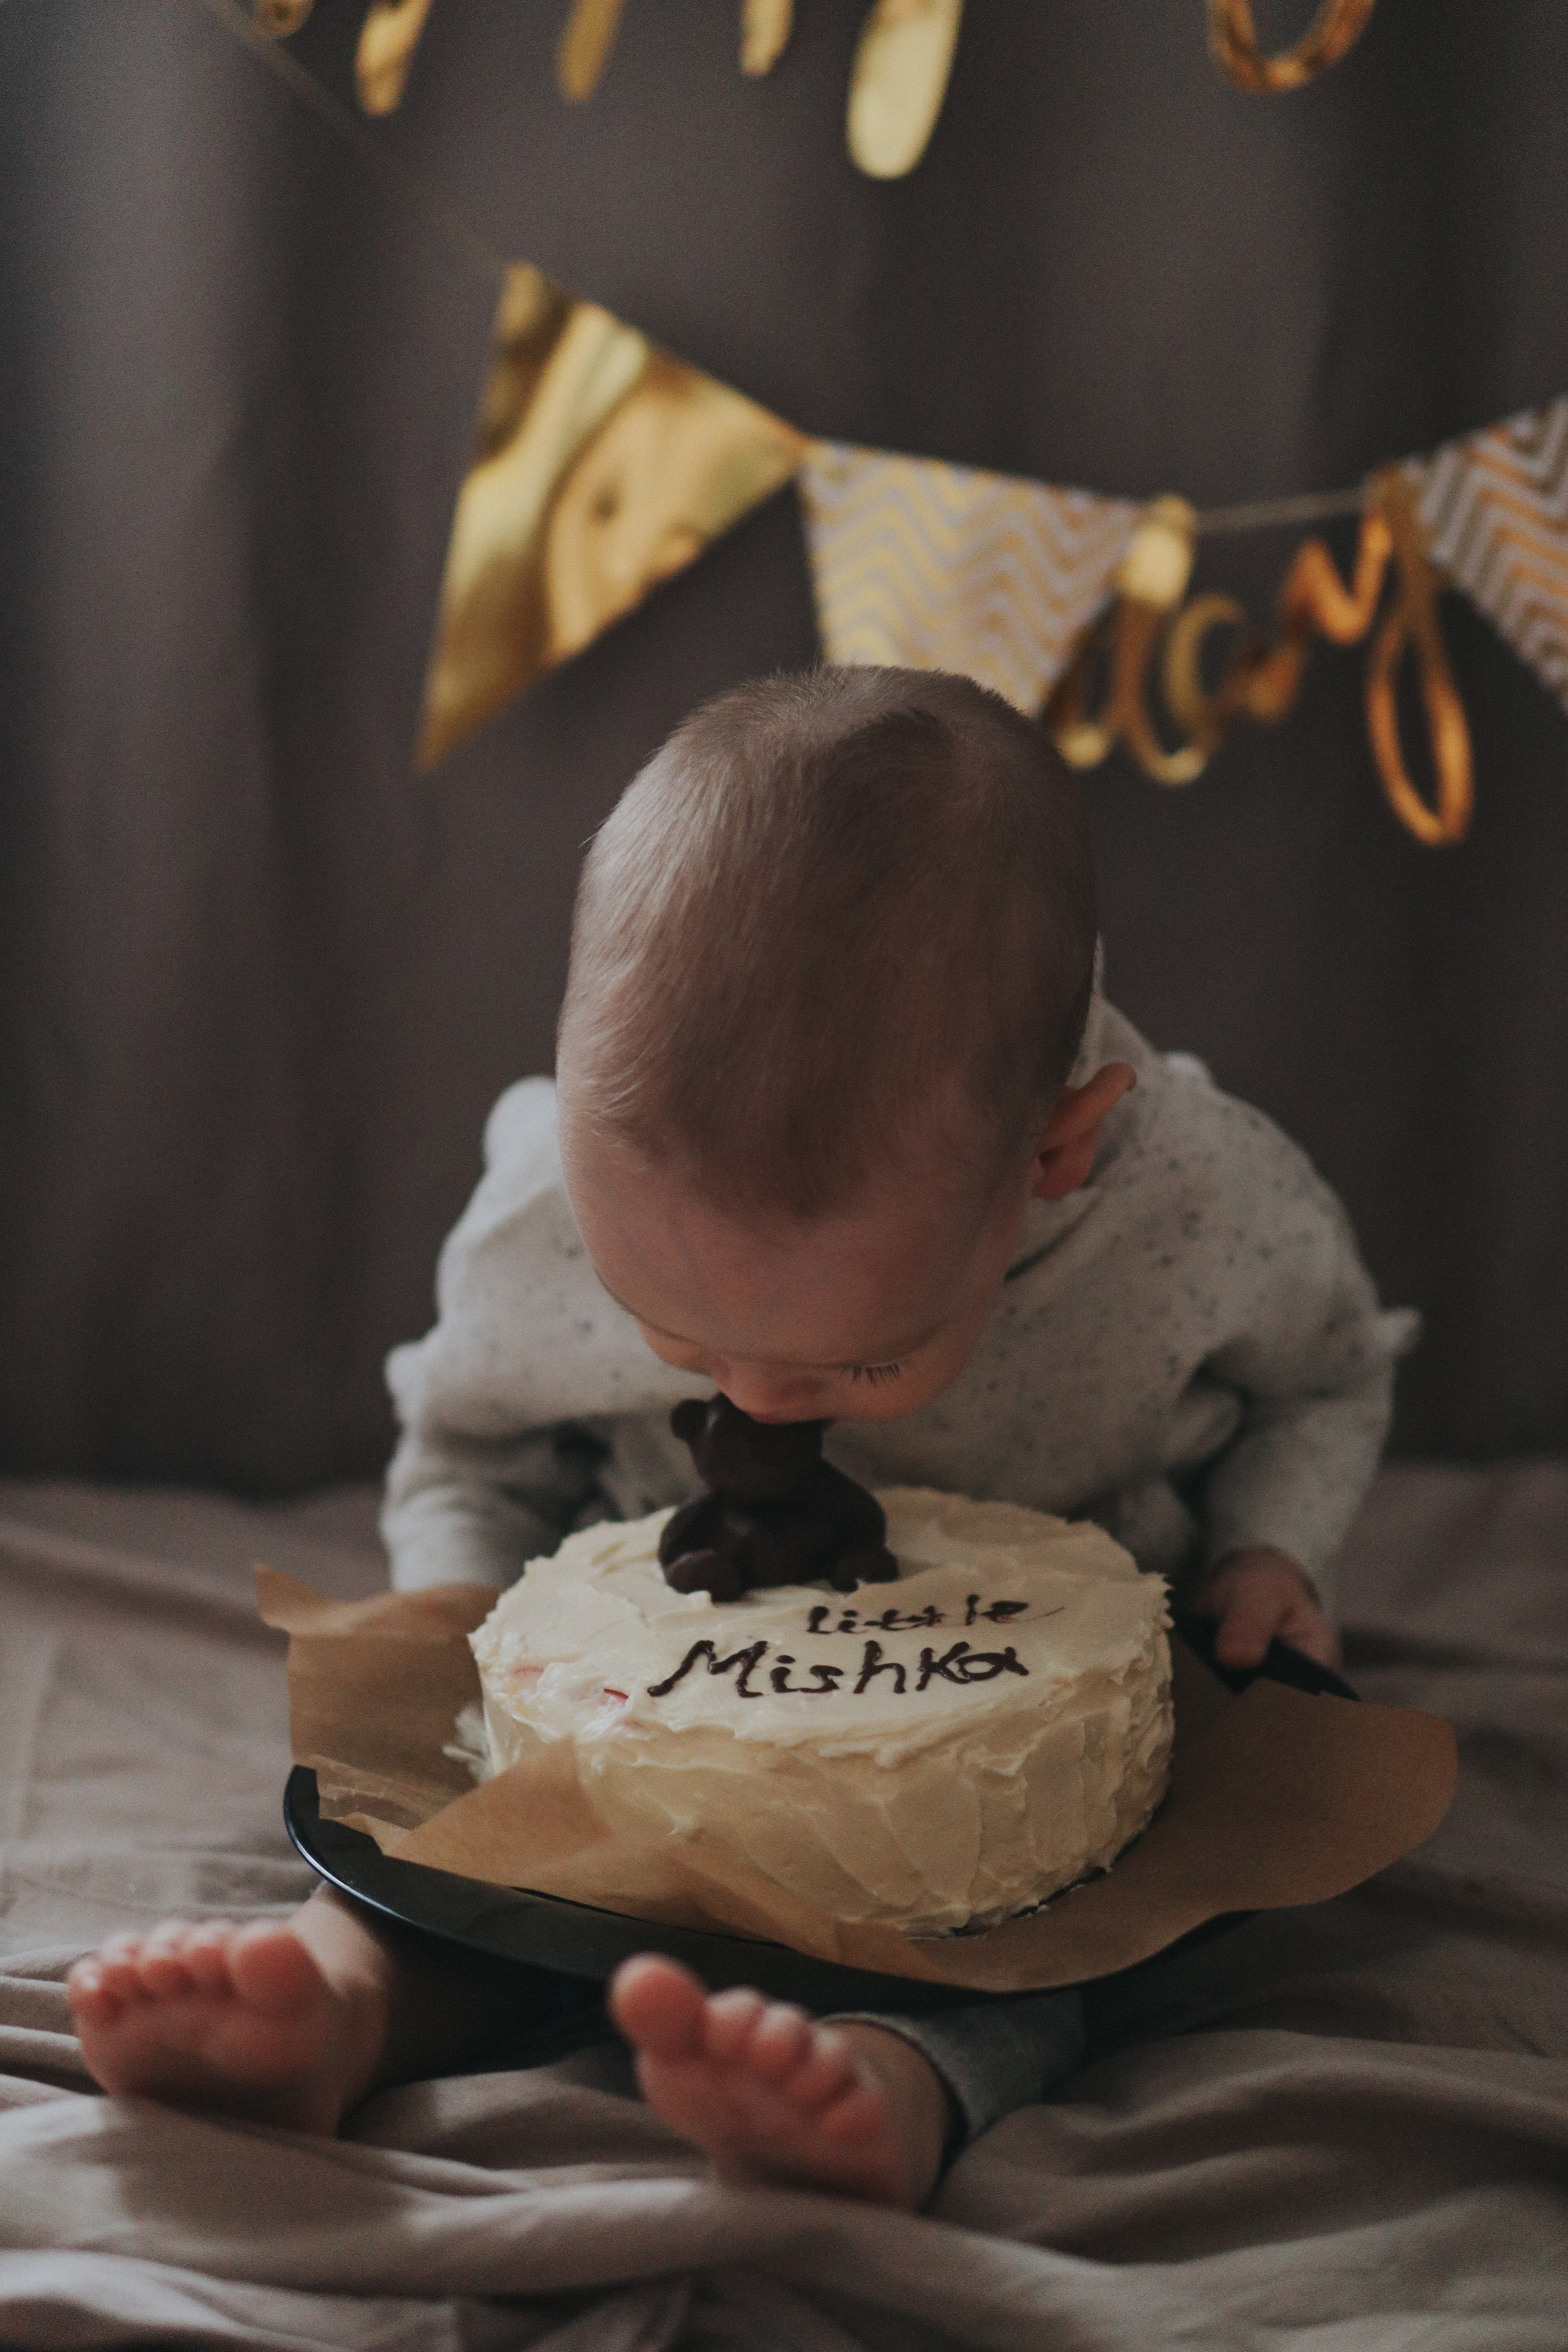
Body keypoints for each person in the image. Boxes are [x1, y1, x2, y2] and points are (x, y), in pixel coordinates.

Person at [67, 667, 1414, 2208]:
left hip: (1000, 1776)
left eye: (860, 1356)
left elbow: (1326, 1378)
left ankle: (882, 2093)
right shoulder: (550, 1220)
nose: (755, 1408)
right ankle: (332, 2003)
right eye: (679, 1341)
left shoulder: (1201, 1211)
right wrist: (453, 1609)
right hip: (630, 1730)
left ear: (1055, 1147)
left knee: (1024, 1941)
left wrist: (1268, 1548)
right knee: (456, 1866)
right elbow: (461, 1453)